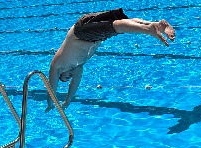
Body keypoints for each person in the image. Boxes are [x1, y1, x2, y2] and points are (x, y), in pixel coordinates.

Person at [47, 9, 175, 111]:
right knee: (123, 22)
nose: (69, 76)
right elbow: (74, 85)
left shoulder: (58, 64)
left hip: (80, 32)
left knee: (115, 26)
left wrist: (50, 102)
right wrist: (67, 100)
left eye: (64, 77)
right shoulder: (79, 66)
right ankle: (156, 25)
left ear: (60, 73)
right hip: (94, 36)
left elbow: (52, 86)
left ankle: (149, 29)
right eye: (68, 78)